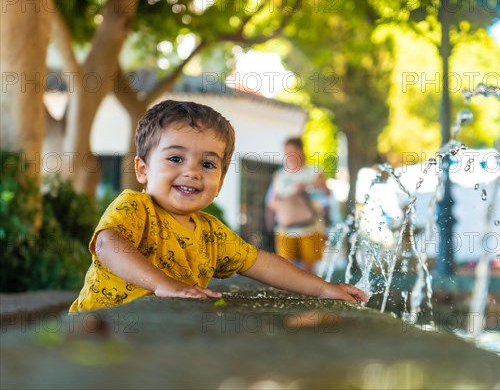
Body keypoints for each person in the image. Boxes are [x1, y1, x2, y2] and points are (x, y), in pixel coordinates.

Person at [70, 101, 367, 312]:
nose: (193, 171)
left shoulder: (212, 234)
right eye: (175, 158)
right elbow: (109, 245)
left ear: (221, 181)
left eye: (208, 164)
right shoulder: (136, 207)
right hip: (93, 335)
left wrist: (326, 288)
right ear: (142, 169)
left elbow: (264, 264)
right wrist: (164, 284)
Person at [266, 138, 330, 273]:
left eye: (292, 151)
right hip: (285, 229)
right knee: (287, 270)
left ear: (301, 151)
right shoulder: (279, 175)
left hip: (311, 228)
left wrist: (307, 188)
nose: (288, 155)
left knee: (309, 271)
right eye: (286, 152)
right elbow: (271, 202)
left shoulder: (315, 172)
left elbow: (326, 196)